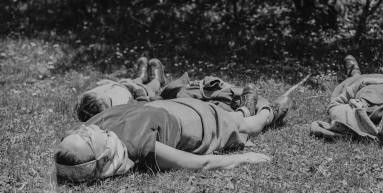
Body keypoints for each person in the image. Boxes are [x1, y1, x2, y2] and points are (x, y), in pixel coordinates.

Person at [54, 88, 292, 183]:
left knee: (236, 118)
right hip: (198, 124)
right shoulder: (141, 148)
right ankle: (268, 113)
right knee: (245, 127)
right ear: (102, 156)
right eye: (86, 138)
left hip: (170, 106)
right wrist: (244, 158)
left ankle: (244, 108)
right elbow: (201, 163)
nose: (87, 129)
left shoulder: (97, 125)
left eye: (79, 131)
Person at [75, 56, 269, 121]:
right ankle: (151, 80)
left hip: (134, 94)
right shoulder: (127, 114)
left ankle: (141, 78)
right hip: (147, 100)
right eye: (108, 99)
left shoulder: (102, 99)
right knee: (151, 91)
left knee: (136, 86)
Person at [75, 57, 165, 121]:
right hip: (136, 92)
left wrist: (110, 83)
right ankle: (157, 79)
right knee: (151, 87)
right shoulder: (120, 106)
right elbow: (140, 103)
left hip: (122, 85)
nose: (105, 93)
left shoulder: (93, 95)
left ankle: (142, 77)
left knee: (135, 80)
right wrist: (137, 90)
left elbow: (98, 90)